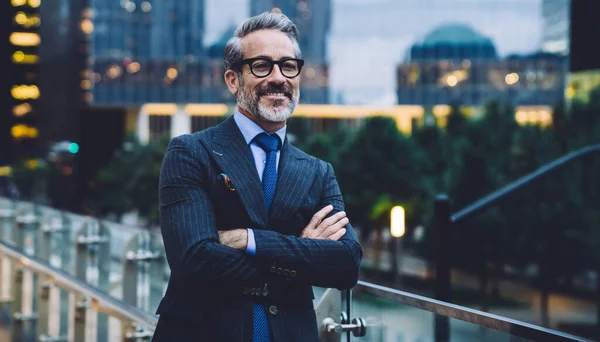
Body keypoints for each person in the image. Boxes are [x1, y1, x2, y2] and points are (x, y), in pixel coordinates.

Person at [153, 11, 362, 342]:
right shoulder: (190, 152)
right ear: (233, 80)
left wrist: (248, 239)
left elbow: (347, 264)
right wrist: (303, 252)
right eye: (262, 65)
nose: (278, 77)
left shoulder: (318, 172)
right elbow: (194, 260)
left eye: (288, 66)